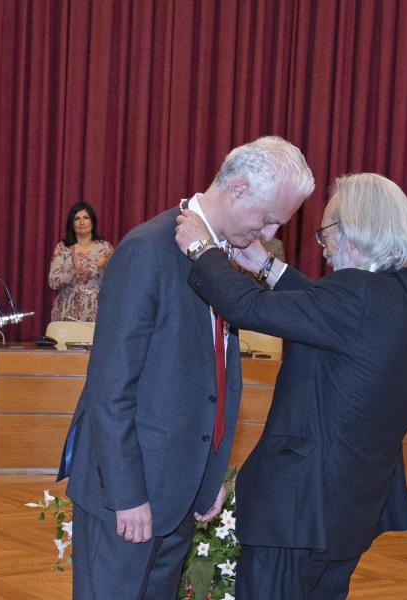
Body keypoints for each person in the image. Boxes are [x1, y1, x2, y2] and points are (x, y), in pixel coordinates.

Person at [57, 136, 314, 599]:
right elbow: (110, 387)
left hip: (179, 495)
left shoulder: (221, 258)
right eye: (269, 218)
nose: (271, 235)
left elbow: (220, 379)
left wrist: (211, 474)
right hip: (127, 499)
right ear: (237, 190)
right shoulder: (147, 250)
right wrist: (126, 493)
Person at [175, 173, 407, 599]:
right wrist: (268, 266)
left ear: (349, 231)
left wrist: (201, 249)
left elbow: (246, 307)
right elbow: (329, 315)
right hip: (350, 510)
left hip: (297, 509)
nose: (326, 249)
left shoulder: (356, 295)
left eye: (326, 236)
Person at [48, 201, 114, 322]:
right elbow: (53, 282)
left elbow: (116, 283)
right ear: (71, 224)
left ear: (93, 221)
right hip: (66, 312)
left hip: (97, 313)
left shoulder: (105, 248)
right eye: (77, 218)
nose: (82, 222)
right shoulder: (62, 248)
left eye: (86, 218)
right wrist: (73, 271)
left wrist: (100, 269)